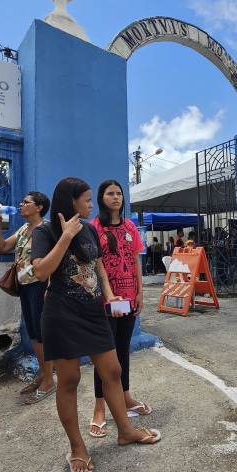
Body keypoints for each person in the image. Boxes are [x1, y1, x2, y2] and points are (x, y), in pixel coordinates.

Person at [31, 177, 160, 472]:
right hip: (62, 314)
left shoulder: (89, 229)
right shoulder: (45, 231)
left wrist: (109, 294)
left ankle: (125, 431)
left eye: (92, 198)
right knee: (70, 379)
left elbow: (97, 267)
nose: (91, 203)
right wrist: (65, 237)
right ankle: (77, 447)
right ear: (70, 200)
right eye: (87, 199)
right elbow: (40, 272)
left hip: (93, 312)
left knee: (112, 370)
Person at [88, 180, 151, 437]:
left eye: (119, 194)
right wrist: (109, 295)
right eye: (110, 194)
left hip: (128, 296)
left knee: (123, 348)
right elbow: (95, 262)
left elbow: (136, 258)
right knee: (104, 353)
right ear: (101, 197)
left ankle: (125, 396)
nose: (115, 198)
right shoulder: (93, 227)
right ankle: (99, 408)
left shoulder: (129, 226)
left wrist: (140, 293)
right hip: (105, 298)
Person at [0, 191, 53, 404]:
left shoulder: (48, 228)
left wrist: (50, 287)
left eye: (26, 202)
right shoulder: (24, 229)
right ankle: (42, 375)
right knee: (34, 334)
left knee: (43, 334)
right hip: (25, 287)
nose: (21, 205)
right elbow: (2, 247)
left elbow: (58, 258)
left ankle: (48, 381)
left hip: (41, 286)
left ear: (39, 207)